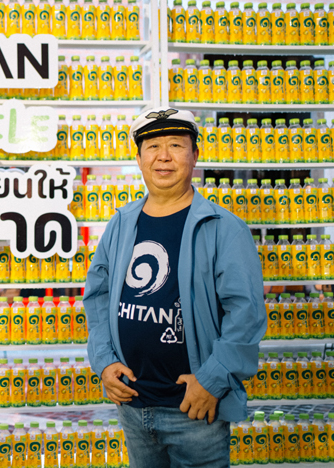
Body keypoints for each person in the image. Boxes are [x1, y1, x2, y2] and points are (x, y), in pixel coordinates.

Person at [83, 107, 266, 467]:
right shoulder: (121, 223)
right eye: (152, 146)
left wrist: (212, 380)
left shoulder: (223, 227)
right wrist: (104, 362)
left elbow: (246, 314)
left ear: (194, 155)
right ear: (139, 158)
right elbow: (98, 297)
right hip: (132, 405)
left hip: (194, 410)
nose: (163, 156)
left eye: (176, 145)